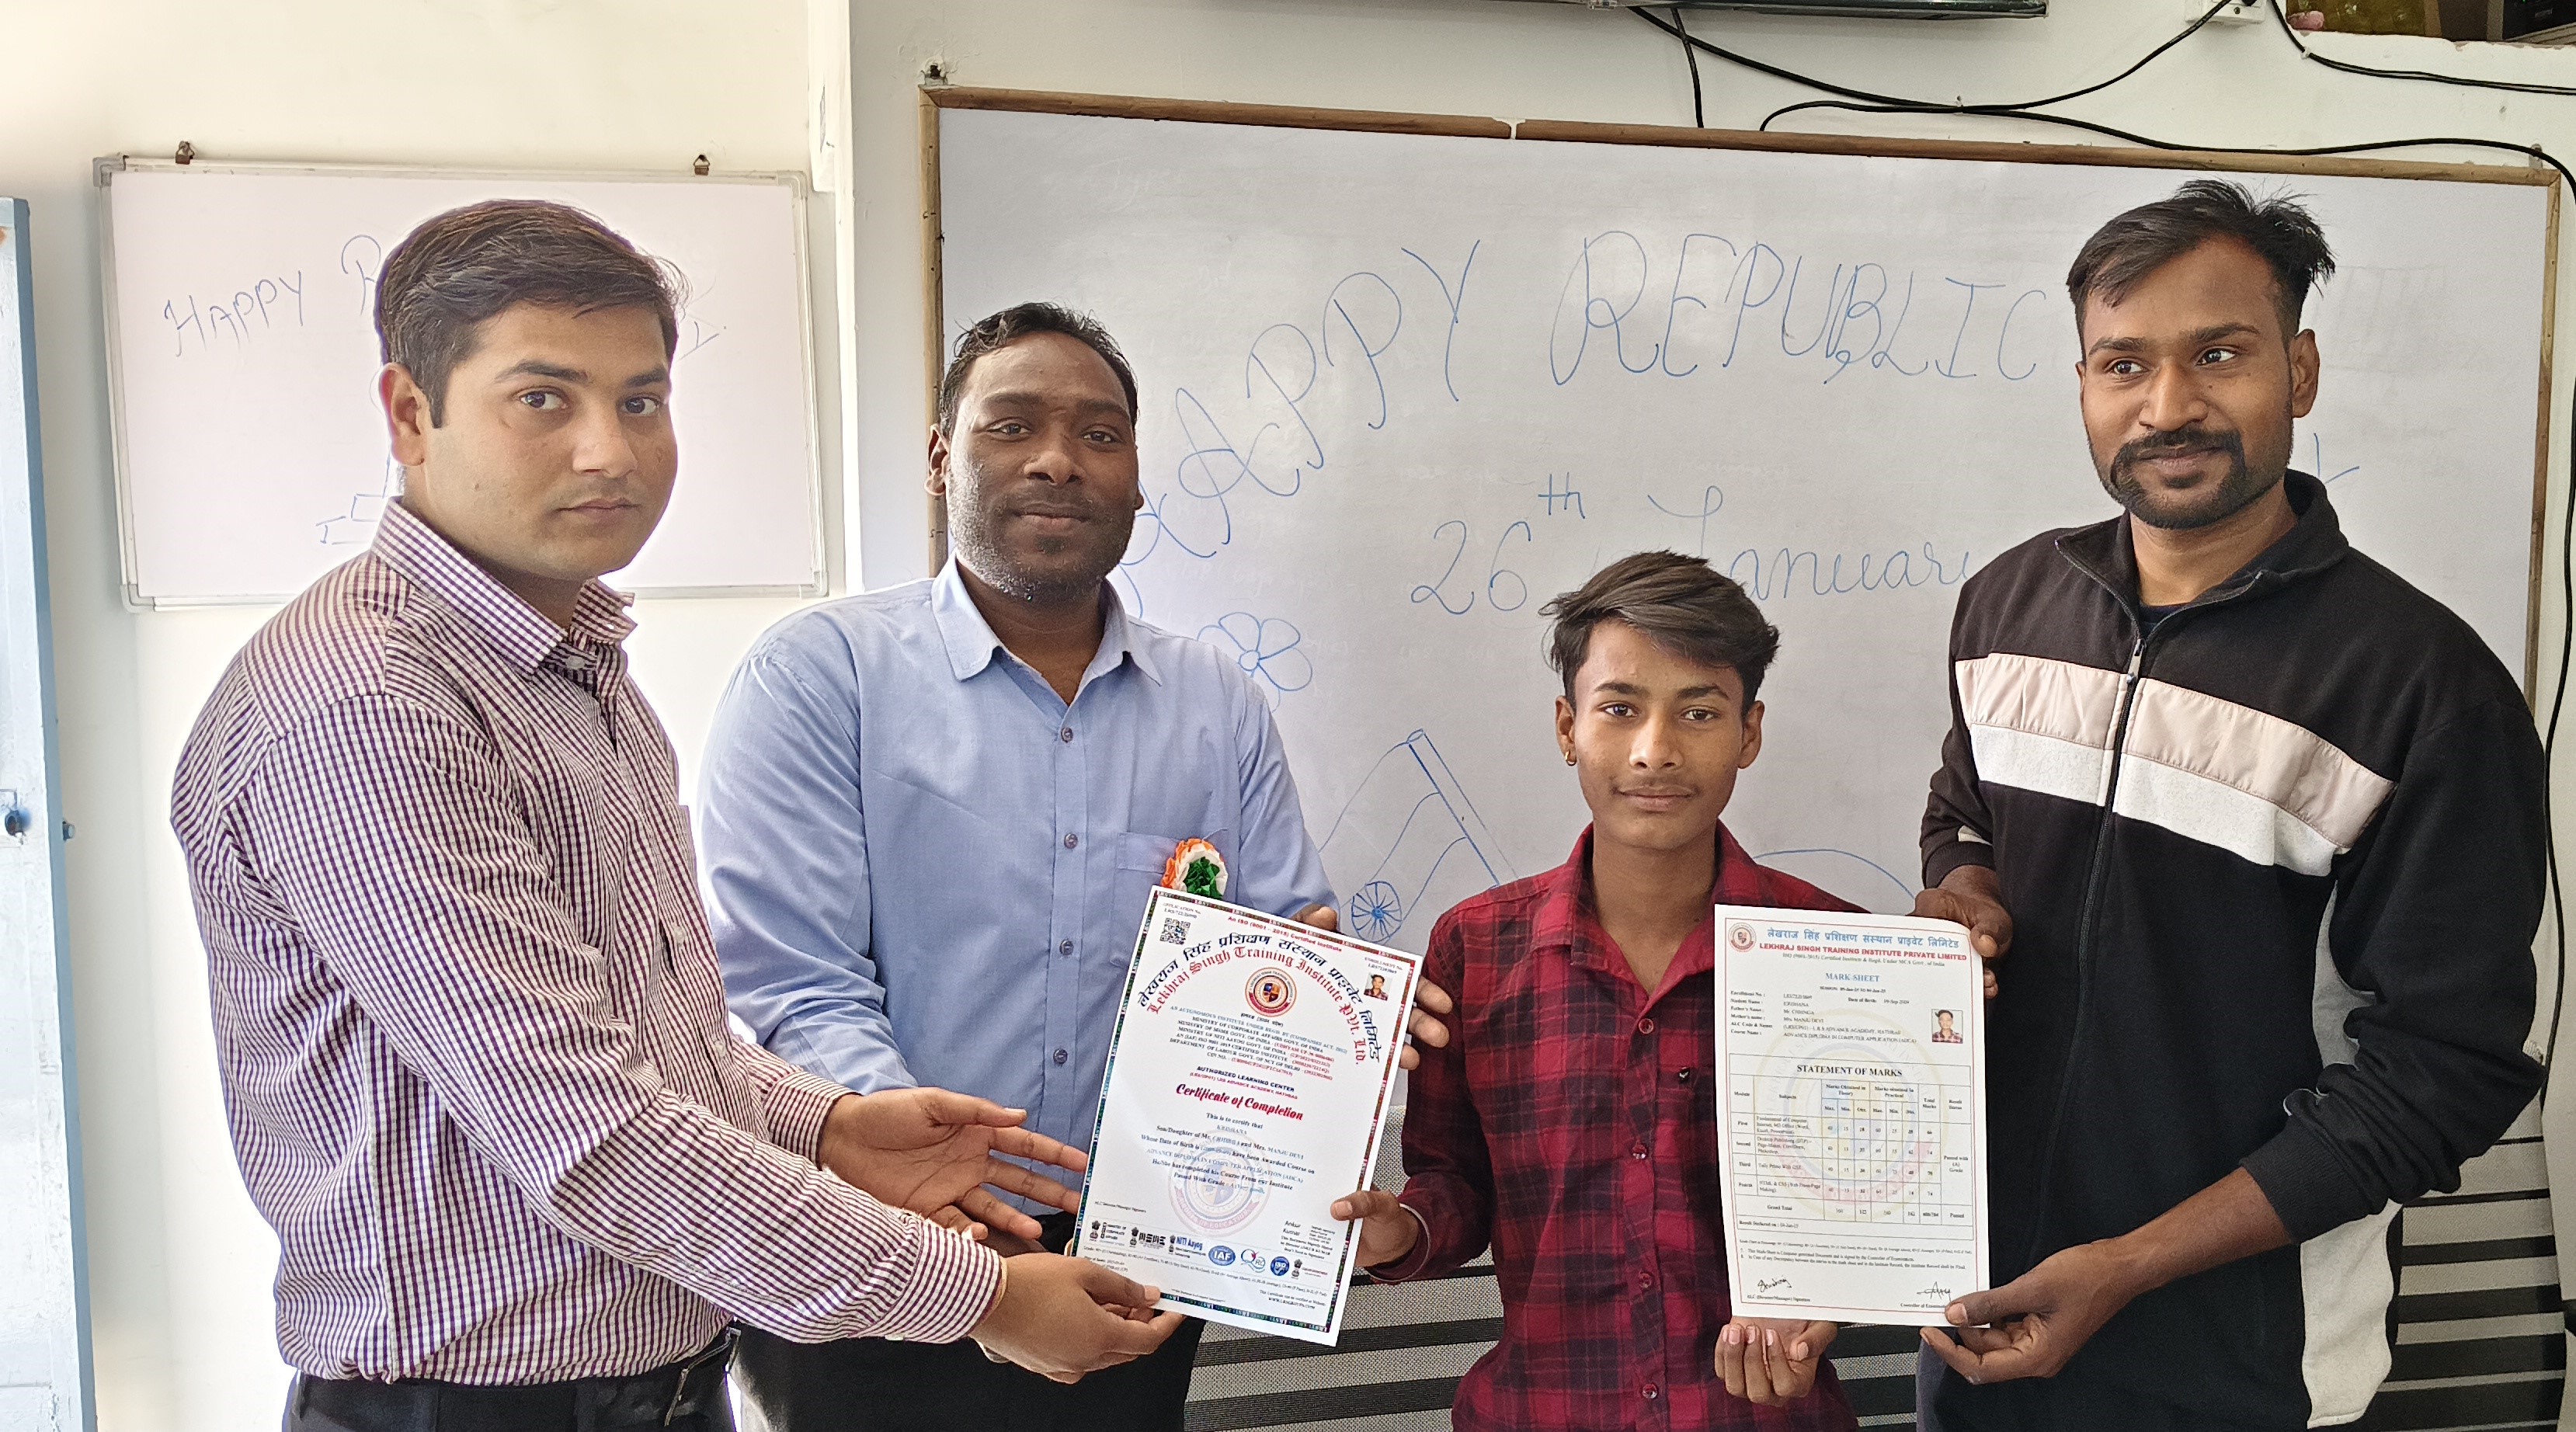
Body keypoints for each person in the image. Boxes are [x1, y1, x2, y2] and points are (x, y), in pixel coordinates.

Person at [169, 203, 1178, 1432]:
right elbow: (591, 1134)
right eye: (543, 399)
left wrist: (829, 1125)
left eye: (640, 400)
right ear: (410, 414)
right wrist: (985, 1299)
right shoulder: (368, 705)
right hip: (479, 1410)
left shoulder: (575, 669)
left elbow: (648, 1036)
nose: (610, 450)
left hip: (662, 1385)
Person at [695, 301, 1455, 1430]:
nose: (1057, 460)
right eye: (1012, 426)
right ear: (942, 457)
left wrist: (1334, 1015)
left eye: (1099, 434)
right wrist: (952, 1223)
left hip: (1134, 1252)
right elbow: (793, 984)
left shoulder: (1216, 703)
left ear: (1136, 478)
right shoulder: (821, 676)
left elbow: (1280, 946)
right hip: (880, 1240)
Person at [1913, 180, 2546, 1430]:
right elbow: (1962, 809)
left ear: (2298, 372)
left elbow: (2438, 1076)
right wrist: (1965, 888)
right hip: (1977, 1311)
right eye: (2123, 364)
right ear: (2083, 384)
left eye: (2218, 354)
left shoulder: (2422, 689)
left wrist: (2128, 1267)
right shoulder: (2006, 605)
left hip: (2244, 1367)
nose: (2168, 406)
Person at [1331, 551, 1862, 1430]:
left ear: (1749, 733)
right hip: (1541, 1409)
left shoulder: (1839, 953)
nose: (1655, 750)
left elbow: (1875, 1203)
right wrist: (1401, 1231)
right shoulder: (1476, 949)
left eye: (1699, 712)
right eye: (1619, 709)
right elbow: (1453, 1182)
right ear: (1566, 727)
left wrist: (1827, 1303)